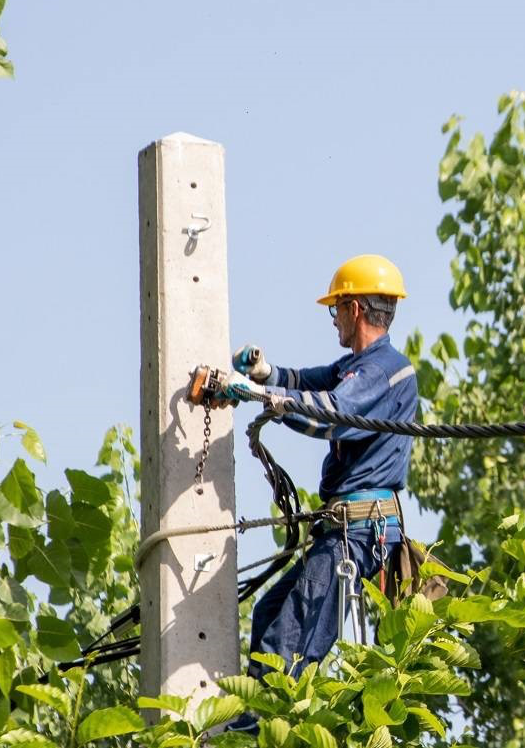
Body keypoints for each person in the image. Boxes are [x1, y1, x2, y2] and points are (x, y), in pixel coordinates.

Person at [219, 254, 417, 730]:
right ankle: (257, 725)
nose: (334, 321)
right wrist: (267, 375)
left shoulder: (385, 372)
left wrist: (267, 401)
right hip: (343, 528)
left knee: (289, 637)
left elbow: (332, 413)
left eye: (335, 311)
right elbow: (314, 383)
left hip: (359, 532)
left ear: (353, 308)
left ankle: (253, 736)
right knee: (270, 614)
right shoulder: (361, 366)